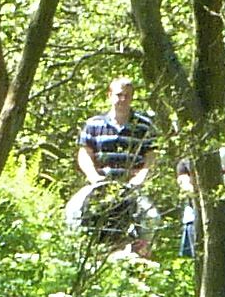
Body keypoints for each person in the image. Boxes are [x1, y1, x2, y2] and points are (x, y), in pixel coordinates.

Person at [67, 75, 157, 257]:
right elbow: (84, 153)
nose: (122, 99)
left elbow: (151, 156)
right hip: (99, 185)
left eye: (127, 96)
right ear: (109, 95)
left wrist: (140, 177)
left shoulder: (143, 125)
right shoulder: (94, 124)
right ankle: (77, 257)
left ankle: (141, 258)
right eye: (119, 95)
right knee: (73, 212)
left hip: (130, 188)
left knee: (152, 218)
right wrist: (93, 176)